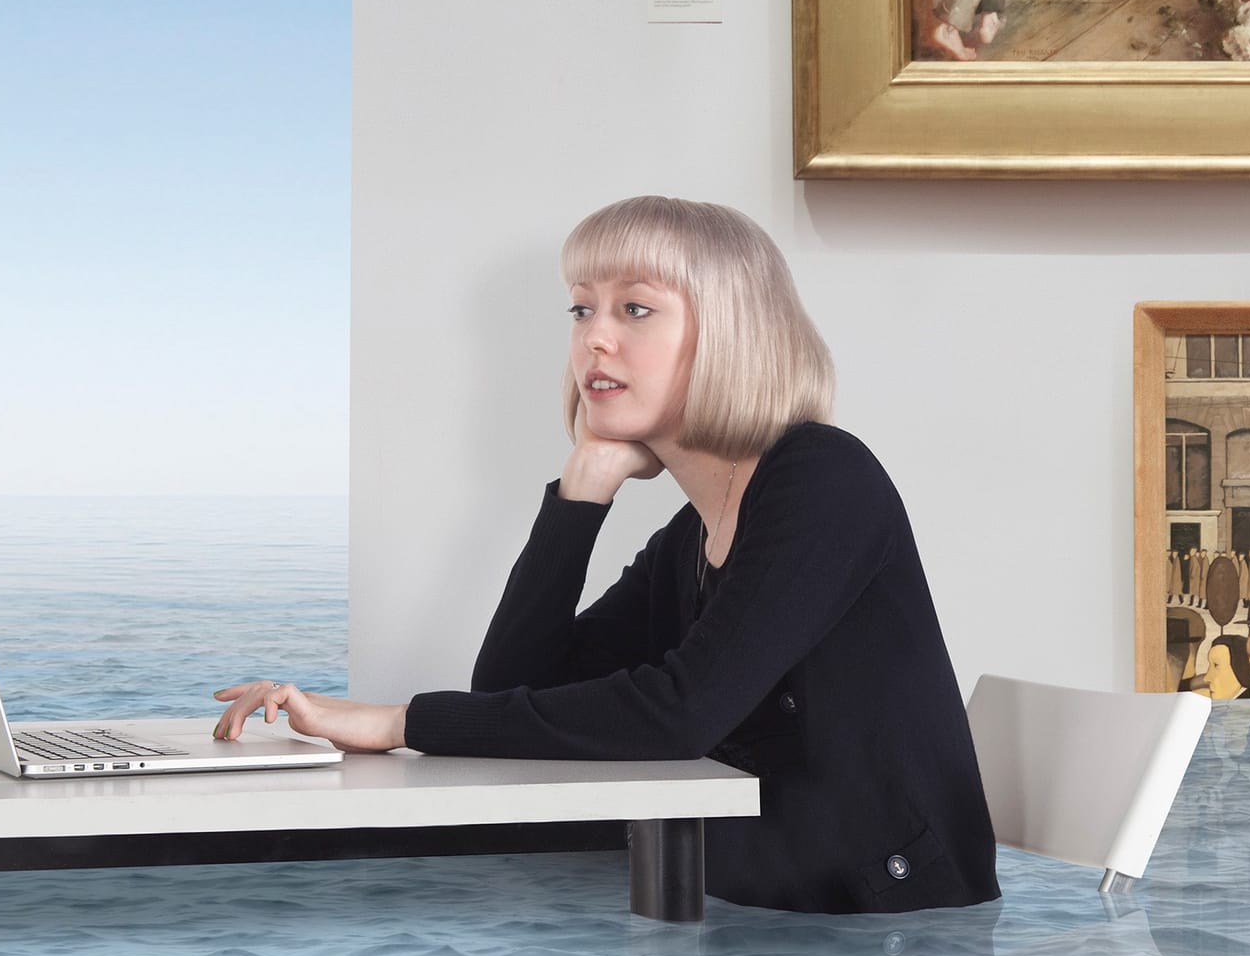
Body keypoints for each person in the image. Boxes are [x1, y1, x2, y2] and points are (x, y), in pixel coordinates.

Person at [211, 195, 1002, 916]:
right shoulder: (690, 537)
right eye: (582, 308)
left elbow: (681, 711)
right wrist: (580, 495)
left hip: (890, 937)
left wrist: (397, 720)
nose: (595, 335)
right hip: (758, 916)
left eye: (635, 308)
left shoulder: (826, 478)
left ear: (731, 330)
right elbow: (516, 684)